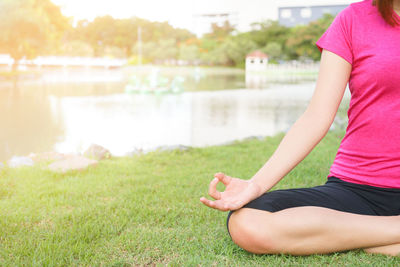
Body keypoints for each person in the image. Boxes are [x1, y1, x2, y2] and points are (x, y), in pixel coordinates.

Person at [200, 0, 400, 256]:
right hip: (356, 188)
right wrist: (256, 185)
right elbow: (317, 116)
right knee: (248, 223)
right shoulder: (353, 20)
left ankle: (357, 237)